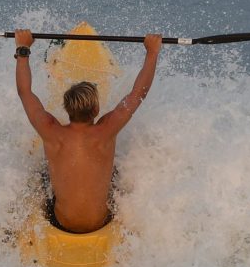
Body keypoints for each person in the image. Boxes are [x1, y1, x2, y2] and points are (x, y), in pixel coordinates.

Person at [14, 29, 162, 233]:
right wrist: (152, 52)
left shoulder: (50, 130)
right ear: (96, 110)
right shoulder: (107, 130)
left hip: (62, 222)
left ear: (66, 108)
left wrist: (23, 48)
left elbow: (25, 92)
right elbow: (138, 94)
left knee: (40, 172)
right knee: (116, 172)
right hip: (99, 222)